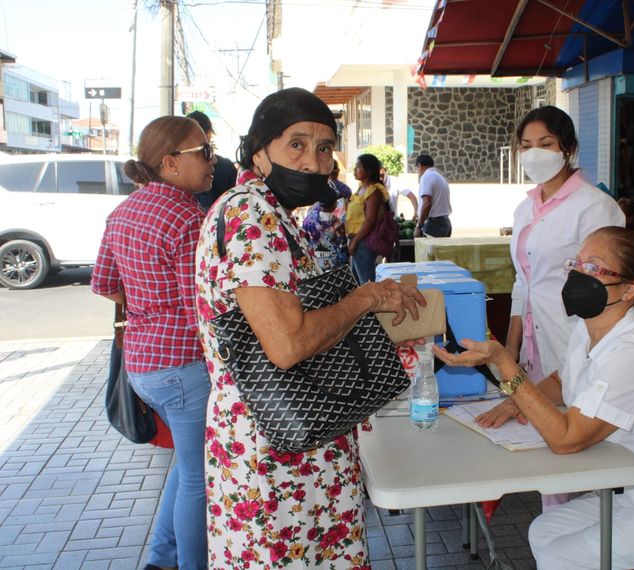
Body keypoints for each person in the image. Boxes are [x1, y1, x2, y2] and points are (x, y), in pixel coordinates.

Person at [194, 87, 426, 569]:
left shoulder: (274, 214)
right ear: (260, 151)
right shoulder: (250, 215)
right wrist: (365, 298)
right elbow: (287, 344)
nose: (312, 160)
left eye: (323, 148)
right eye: (295, 144)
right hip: (276, 449)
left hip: (297, 436)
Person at [434, 226, 634, 569]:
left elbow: (567, 439)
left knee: (559, 556)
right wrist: (515, 401)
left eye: (594, 268)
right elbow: (560, 380)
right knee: (544, 531)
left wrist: (505, 364)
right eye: (578, 264)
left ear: (629, 289)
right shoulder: (589, 326)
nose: (580, 275)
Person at [92, 116, 215, 570]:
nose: (211, 159)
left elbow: (104, 283)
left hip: (142, 365)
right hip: (183, 367)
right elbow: (200, 307)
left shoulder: (122, 211)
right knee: (198, 481)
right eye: (202, 152)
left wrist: (147, 305)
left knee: (187, 471)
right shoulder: (187, 216)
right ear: (168, 162)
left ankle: (161, 559)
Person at [507, 106, 624, 460]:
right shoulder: (524, 209)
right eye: (526, 146)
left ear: (568, 148)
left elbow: (611, 287)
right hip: (534, 345)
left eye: (546, 142)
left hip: (574, 340)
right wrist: (510, 352)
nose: (534, 153)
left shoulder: (595, 207)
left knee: (579, 446)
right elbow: (522, 282)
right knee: (545, 448)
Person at [345, 153, 390, 284]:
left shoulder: (373, 191)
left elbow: (370, 221)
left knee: (366, 283)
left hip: (363, 242)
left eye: (358, 167)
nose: (355, 169)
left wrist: (355, 242)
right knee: (357, 281)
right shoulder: (361, 189)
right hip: (357, 240)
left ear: (368, 171)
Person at [186, 110, 238, 212]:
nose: (212, 160)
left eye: (208, 147)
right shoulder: (225, 166)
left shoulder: (224, 167)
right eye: (203, 148)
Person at [413, 154, 452, 237]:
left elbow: (427, 203)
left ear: (420, 166)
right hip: (446, 223)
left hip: (434, 225)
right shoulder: (440, 177)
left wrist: (419, 226)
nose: (417, 171)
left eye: (417, 168)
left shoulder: (426, 177)